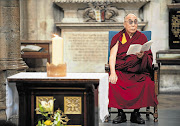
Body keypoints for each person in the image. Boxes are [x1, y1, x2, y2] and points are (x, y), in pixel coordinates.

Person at [108, 13, 158, 124]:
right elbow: (112, 56)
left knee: (147, 82)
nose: (133, 24)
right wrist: (112, 72)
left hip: (138, 71)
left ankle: (136, 113)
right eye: (130, 21)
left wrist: (142, 56)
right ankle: (121, 114)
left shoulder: (142, 37)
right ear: (124, 24)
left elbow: (148, 56)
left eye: (135, 22)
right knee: (114, 82)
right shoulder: (118, 37)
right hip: (122, 71)